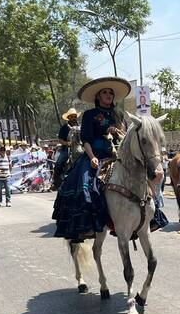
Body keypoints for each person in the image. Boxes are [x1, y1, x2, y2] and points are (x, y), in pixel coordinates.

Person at [52, 76, 130, 240]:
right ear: (98, 96)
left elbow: (126, 137)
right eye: (105, 92)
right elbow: (86, 139)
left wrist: (118, 132)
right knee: (86, 187)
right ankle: (86, 227)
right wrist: (92, 157)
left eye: (111, 92)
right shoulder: (89, 114)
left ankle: (143, 219)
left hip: (117, 156)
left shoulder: (119, 115)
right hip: (94, 155)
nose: (109, 94)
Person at [53, 107, 80, 189]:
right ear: (68, 118)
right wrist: (67, 143)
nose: (73, 118)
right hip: (67, 149)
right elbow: (60, 139)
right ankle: (56, 183)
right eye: (71, 117)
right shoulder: (64, 127)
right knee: (59, 163)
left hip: (80, 147)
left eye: (74, 116)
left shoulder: (80, 126)